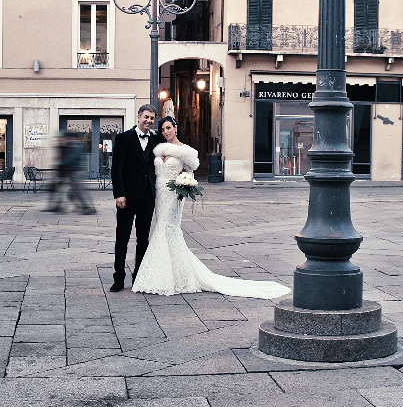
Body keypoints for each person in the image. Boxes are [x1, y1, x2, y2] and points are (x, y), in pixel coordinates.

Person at [131, 116, 289, 299]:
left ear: (176, 128)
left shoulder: (185, 151)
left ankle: (168, 277)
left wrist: (184, 184)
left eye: (168, 128)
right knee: (161, 228)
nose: (165, 132)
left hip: (174, 195)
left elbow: (190, 173)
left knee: (167, 228)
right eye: (163, 129)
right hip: (158, 193)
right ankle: (167, 273)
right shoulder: (158, 150)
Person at [109, 105, 160, 292]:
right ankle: (119, 278)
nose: (149, 121)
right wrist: (119, 194)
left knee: (143, 239)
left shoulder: (156, 140)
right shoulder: (124, 138)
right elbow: (117, 169)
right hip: (127, 197)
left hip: (147, 197)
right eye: (146, 117)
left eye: (152, 118)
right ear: (138, 117)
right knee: (122, 238)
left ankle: (138, 276)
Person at [46, 130, 95, 215]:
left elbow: (71, 158)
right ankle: (59, 206)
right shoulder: (71, 146)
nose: (65, 139)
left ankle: (87, 207)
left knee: (78, 191)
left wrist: (60, 162)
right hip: (69, 172)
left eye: (66, 138)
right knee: (65, 189)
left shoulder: (76, 146)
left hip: (75, 172)